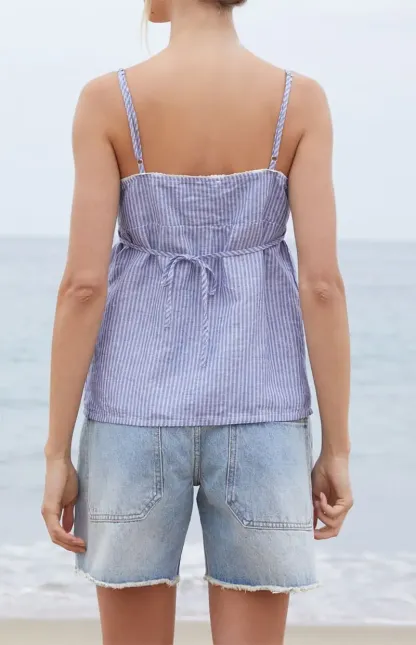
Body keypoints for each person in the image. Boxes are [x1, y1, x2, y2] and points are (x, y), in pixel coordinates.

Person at [41, 0, 353, 643]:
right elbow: (322, 286)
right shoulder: (300, 101)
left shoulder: (108, 100)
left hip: (131, 415)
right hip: (263, 414)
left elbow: (82, 287)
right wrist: (337, 447)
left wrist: (56, 450)